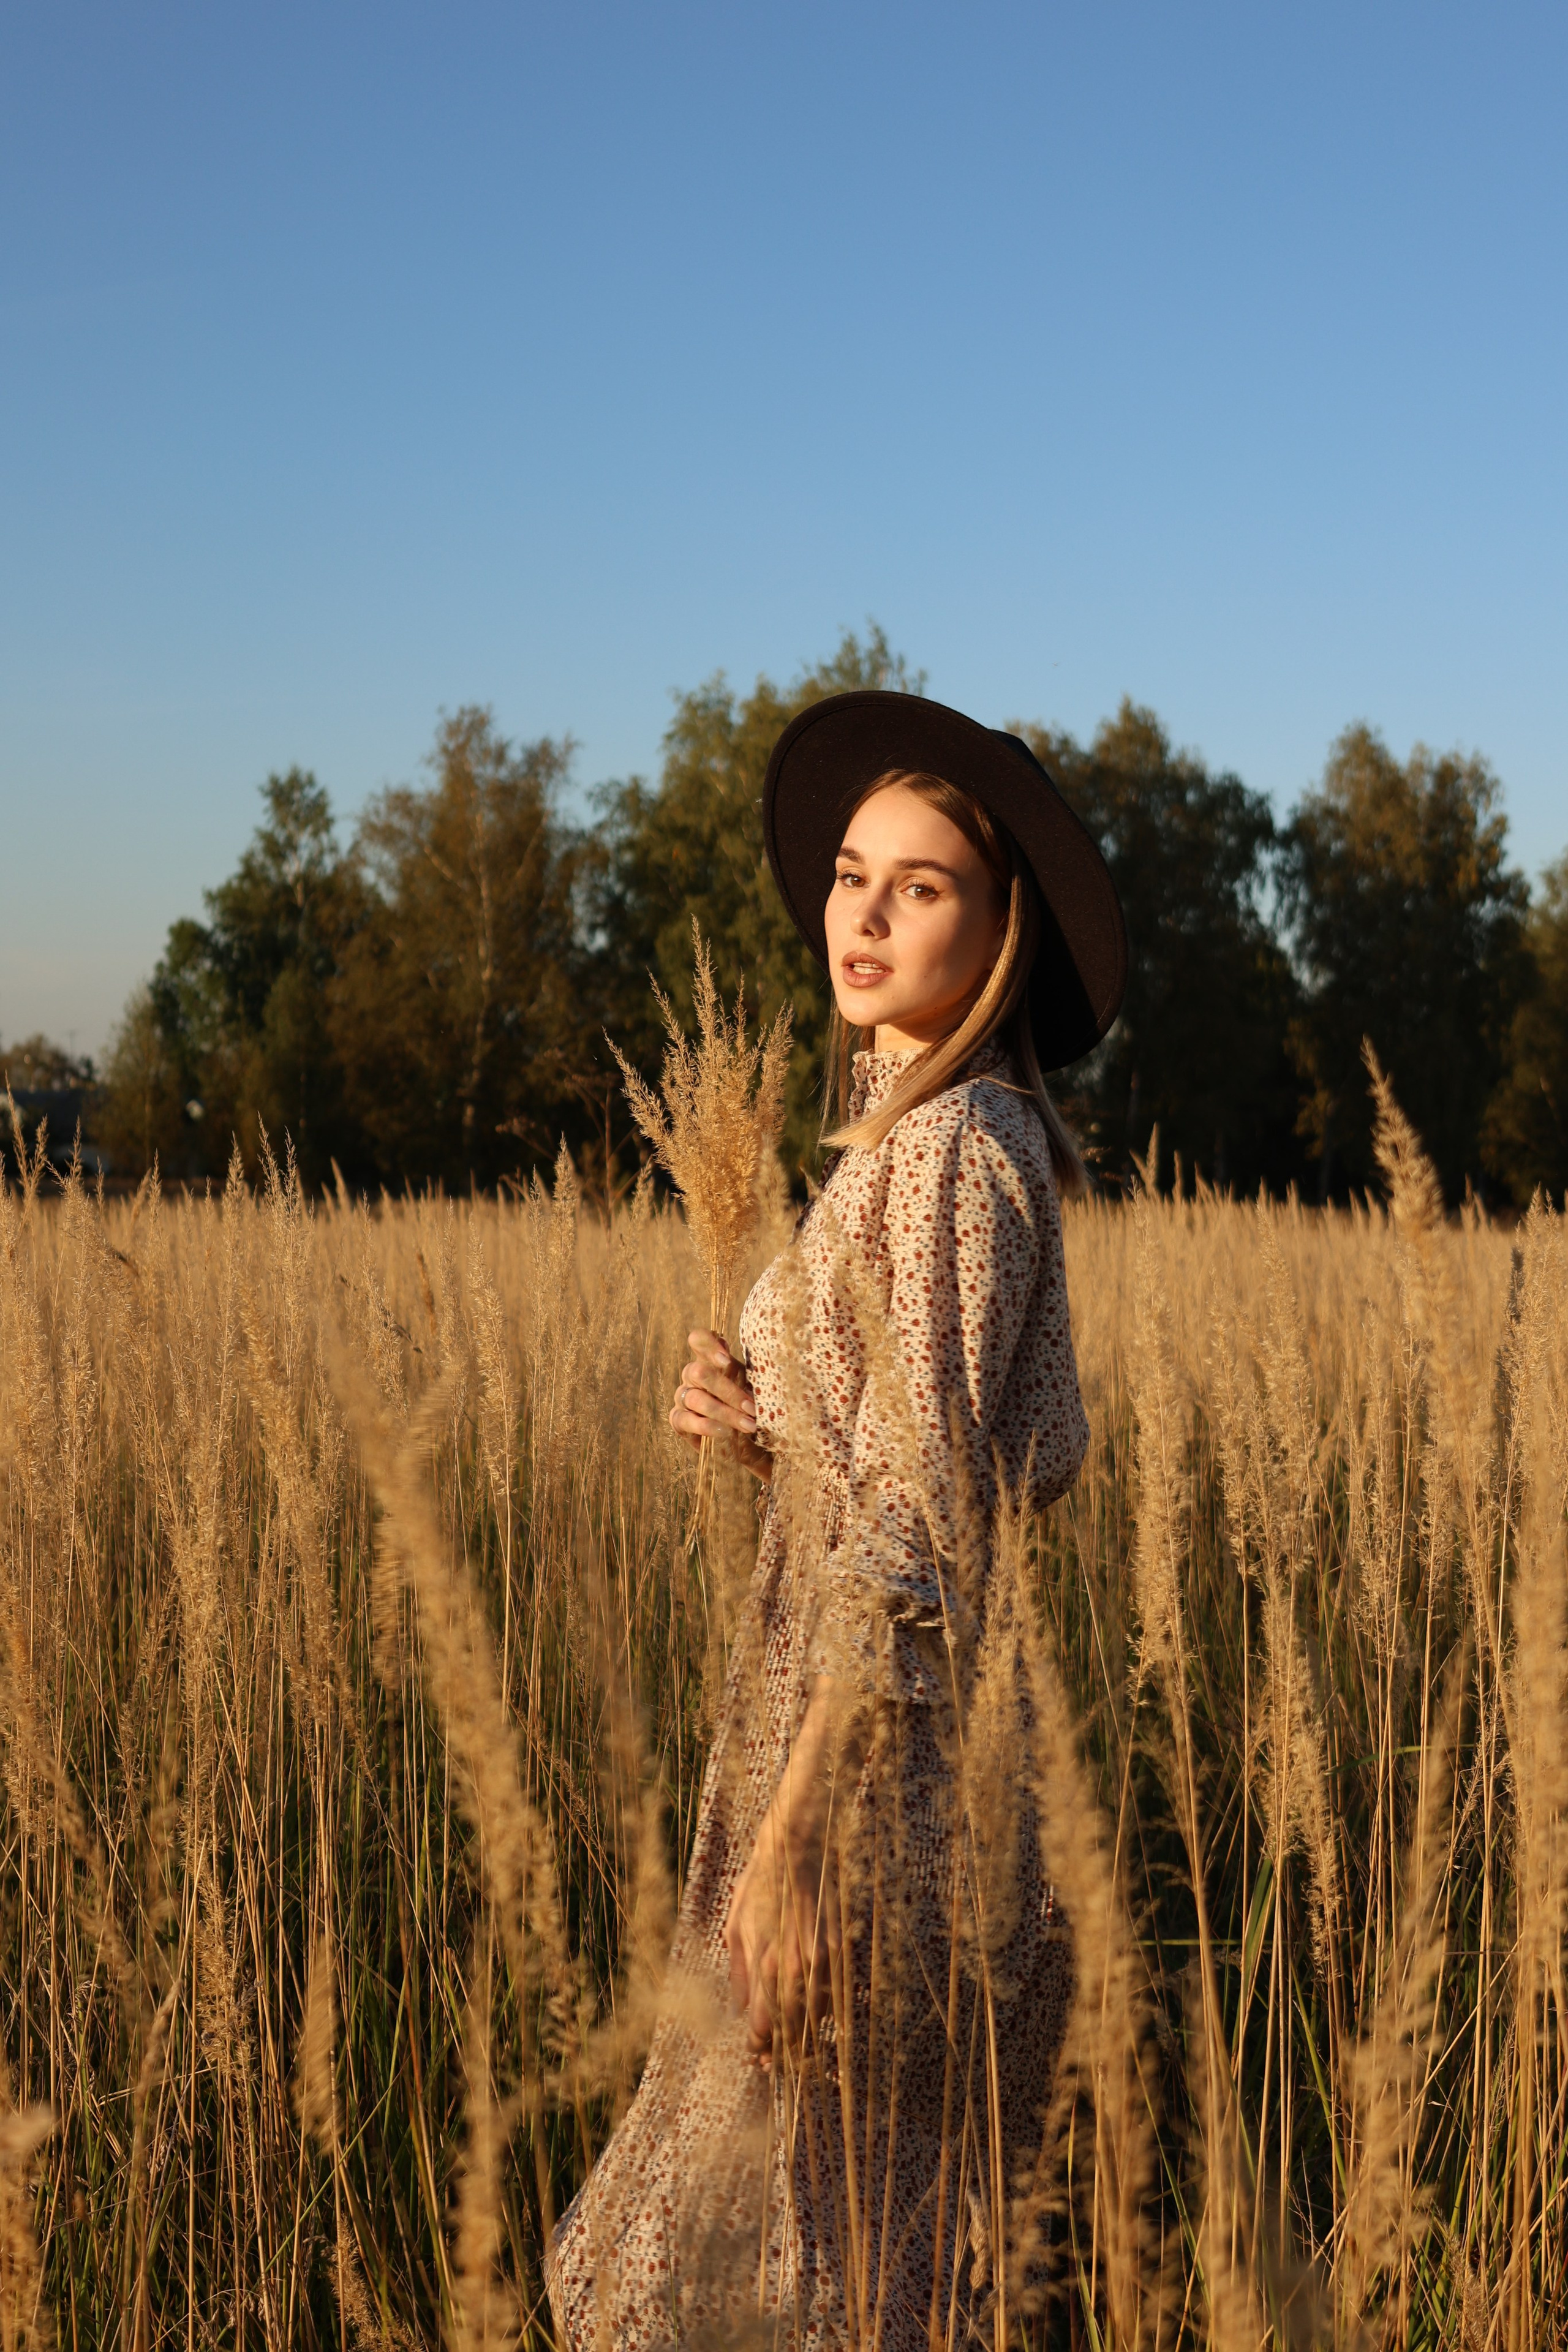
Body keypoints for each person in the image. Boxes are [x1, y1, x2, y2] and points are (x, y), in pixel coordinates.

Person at [546, 691, 1127, 2348]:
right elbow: (927, 1469)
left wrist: (798, 1842)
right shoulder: (928, 1146)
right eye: (854, 874)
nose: (863, 914)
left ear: (1002, 928)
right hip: (887, 1757)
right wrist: (764, 1437)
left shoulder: (952, 1152)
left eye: (923, 885)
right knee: (861, 2260)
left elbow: (925, 1528)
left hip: (876, 1795)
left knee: (780, 2268)